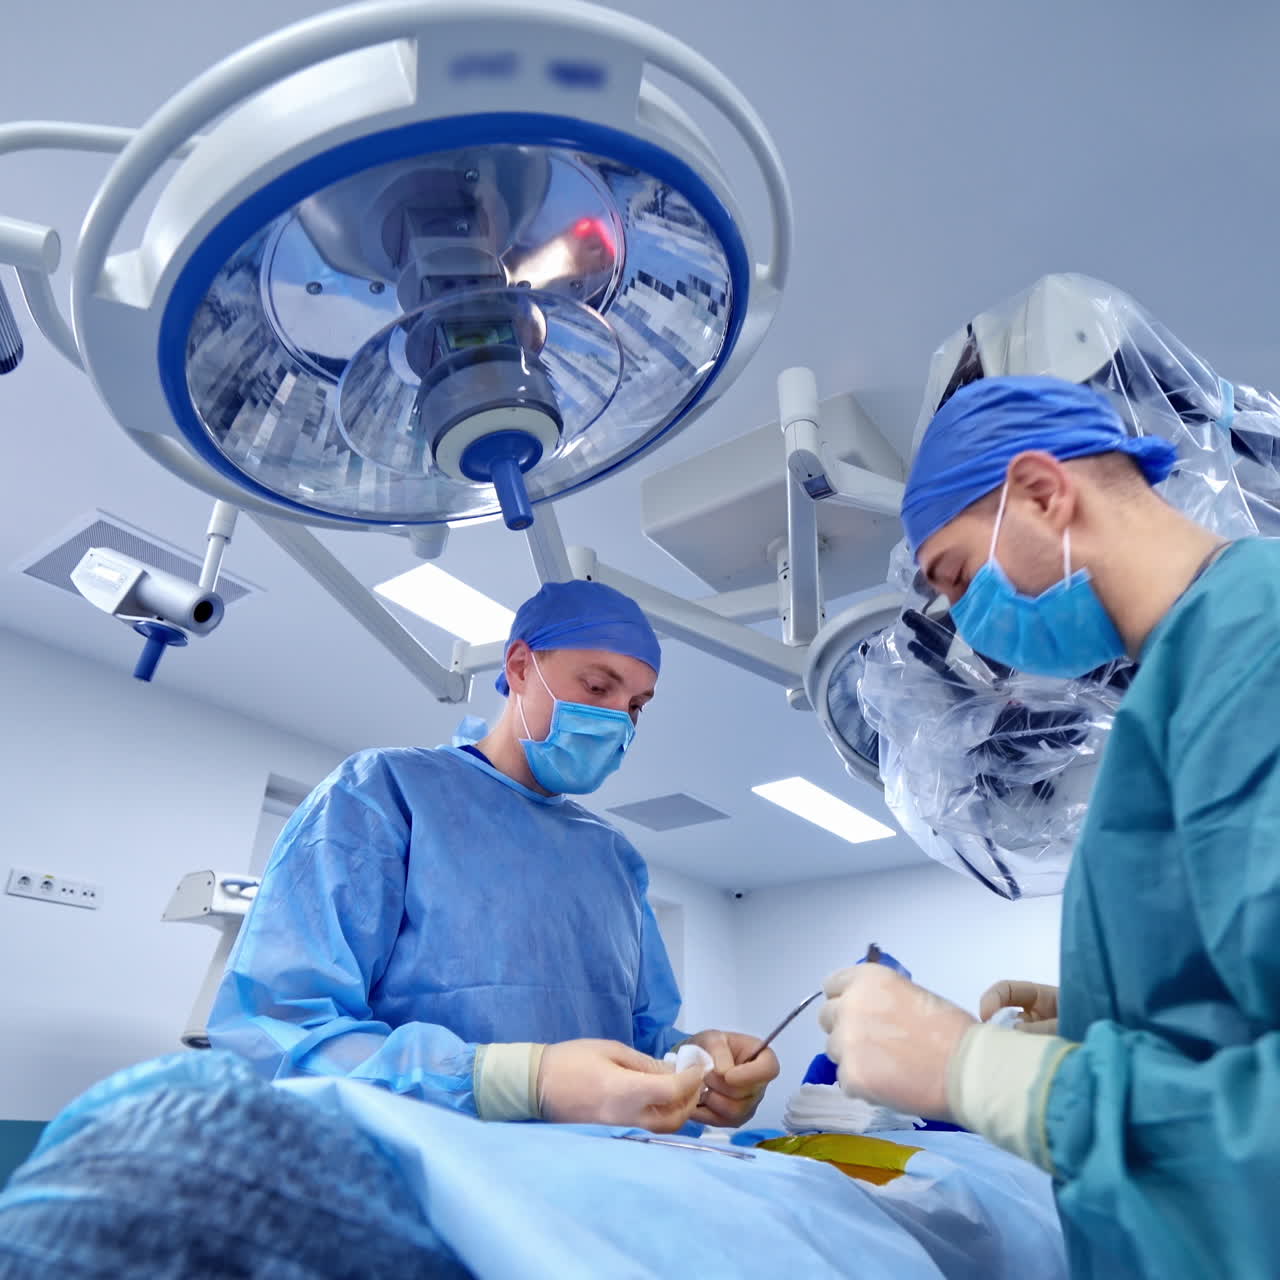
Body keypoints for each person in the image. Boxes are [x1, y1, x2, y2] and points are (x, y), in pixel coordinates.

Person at [819, 375, 1280, 1278]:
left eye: (954, 574)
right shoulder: (1180, 677)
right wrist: (1099, 1014)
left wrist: (974, 1071)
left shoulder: (1254, 639)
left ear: (1041, 492)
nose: (963, 624)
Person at [209, 579, 778, 1132]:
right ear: (519, 667)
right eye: (598, 688)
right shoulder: (384, 796)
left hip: (586, 1181)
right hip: (417, 1174)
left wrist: (696, 1068)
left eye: (636, 706)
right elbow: (279, 1028)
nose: (617, 720)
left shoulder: (612, 859)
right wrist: (511, 1081)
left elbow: (634, 1039)